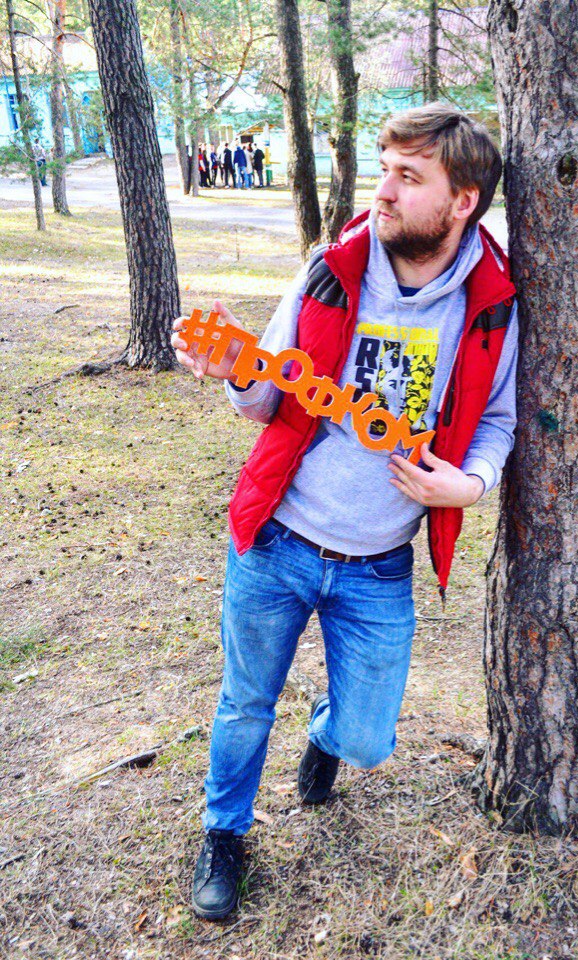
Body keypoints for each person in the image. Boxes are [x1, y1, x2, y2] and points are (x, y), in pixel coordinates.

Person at [171, 102, 519, 921]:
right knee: (246, 702)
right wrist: (236, 371)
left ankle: (327, 737)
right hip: (278, 541)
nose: (383, 192)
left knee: (368, 738)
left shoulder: (492, 302)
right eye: (384, 171)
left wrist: (469, 485)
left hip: (379, 566)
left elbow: (499, 419)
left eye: (408, 177)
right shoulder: (331, 270)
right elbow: (263, 397)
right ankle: (224, 834)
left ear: (463, 200)